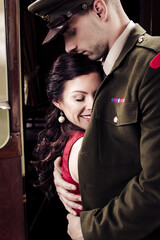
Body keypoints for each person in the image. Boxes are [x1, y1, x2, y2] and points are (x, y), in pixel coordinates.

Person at [28, 0, 160, 239]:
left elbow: (156, 184)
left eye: (71, 31)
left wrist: (92, 229)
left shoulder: (151, 65)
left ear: (100, 9)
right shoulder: (104, 67)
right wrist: (67, 169)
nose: (68, 47)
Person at [32, 52, 102, 212]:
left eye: (98, 94)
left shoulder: (73, 135)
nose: (93, 105)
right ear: (58, 102)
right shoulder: (84, 147)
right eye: (79, 98)